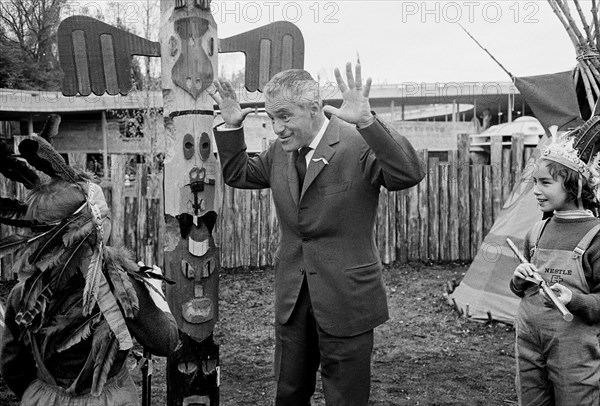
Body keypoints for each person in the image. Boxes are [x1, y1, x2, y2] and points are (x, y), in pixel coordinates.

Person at [209, 62, 425, 405]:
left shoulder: (357, 144)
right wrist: (231, 127)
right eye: (271, 117)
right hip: (293, 300)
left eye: (284, 116)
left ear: (313, 108)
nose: (277, 128)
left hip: (347, 299)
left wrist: (368, 122)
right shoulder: (279, 152)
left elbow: (409, 173)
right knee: (288, 393)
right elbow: (238, 174)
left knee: (345, 399)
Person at [0, 127, 179, 406]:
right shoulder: (121, 286)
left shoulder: (22, 296)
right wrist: (156, 295)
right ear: (95, 228)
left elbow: (13, 366)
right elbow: (165, 342)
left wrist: (48, 393)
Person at [510, 132, 600, 405]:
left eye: (546, 183)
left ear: (574, 186)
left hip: (575, 354)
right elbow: (522, 289)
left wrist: (574, 300)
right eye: (535, 182)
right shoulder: (537, 231)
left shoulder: (596, 237)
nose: (536, 190)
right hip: (528, 345)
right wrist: (518, 280)